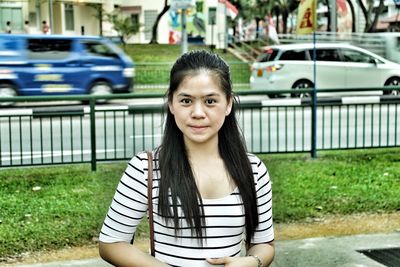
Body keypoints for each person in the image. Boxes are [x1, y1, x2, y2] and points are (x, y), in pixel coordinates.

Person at [98, 50, 275, 267]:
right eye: (186, 101)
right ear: (171, 103)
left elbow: (264, 244)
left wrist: (252, 261)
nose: (198, 112)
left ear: (228, 104)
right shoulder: (145, 168)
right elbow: (111, 243)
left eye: (210, 100)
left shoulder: (253, 170)